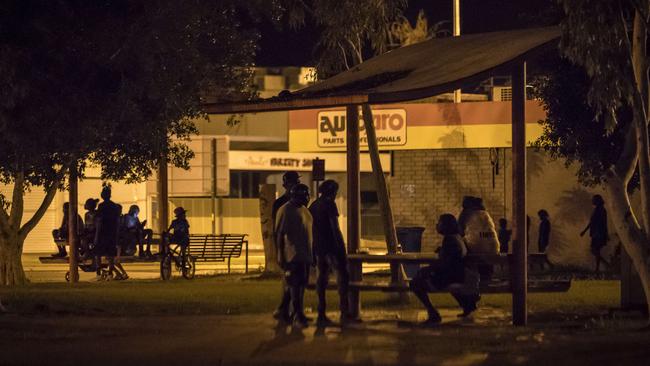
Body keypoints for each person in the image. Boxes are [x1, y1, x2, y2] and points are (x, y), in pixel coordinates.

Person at [410, 214, 480, 326]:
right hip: (458, 274)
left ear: (446, 225)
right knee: (422, 274)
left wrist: (429, 270)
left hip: (451, 277)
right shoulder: (456, 237)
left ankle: (433, 313)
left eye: (440, 222)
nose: (437, 225)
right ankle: (468, 305)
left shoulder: (450, 240)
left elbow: (446, 264)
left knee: (415, 283)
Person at [309, 180, 352, 327]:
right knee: (343, 277)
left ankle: (321, 312)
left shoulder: (313, 206)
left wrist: (313, 248)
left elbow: (311, 230)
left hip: (319, 248)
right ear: (332, 191)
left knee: (322, 280)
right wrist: (341, 247)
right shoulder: (329, 204)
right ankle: (344, 312)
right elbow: (335, 228)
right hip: (332, 248)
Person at [275, 183, 313, 328]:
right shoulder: (286, 210)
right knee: (295, 286)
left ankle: (285, 311)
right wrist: (280, 254)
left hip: (305, 254)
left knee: (300, 285)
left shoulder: (305, 211)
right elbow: (280, 234)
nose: (307, 198)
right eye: (305, 195)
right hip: (292, 256)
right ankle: (297, 315)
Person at [271, 171, 301, 323]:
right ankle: (285, 309)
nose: (295, 185)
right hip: (286, 247)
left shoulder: (299, 201)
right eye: (292, 183)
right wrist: (279, 251)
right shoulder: (280, 204)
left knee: (296, 281)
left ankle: (291, 311)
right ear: (286, 185)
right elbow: (277, 230)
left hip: (298, 246)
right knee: (290, 281)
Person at [458, 196, 499, 282]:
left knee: (459, 249)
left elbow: (459, 231)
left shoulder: (466, 213)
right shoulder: (485, 214)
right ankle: (486, 277)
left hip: (475, 249)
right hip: (493, 248)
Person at [94, 185, 123, 281]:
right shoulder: (114, 206)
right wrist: (117, 233)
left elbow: (99, 221)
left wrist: (97, 236)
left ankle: (98, 273)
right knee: (110, 255)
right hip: (112, 232)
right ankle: (110, 273)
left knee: (98, 253)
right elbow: (118, 221)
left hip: (103, 232)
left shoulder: (101, 206)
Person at [581, 194, 609, 272]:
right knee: (597, 251)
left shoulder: (599, 210)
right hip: (599, 232)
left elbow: (593, 222)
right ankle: (598, 268)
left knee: (594, 250)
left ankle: (605, 264)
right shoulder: (601, 209)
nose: (592, 201)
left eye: (594, 199)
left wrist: (584, 231)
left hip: (598, 233)